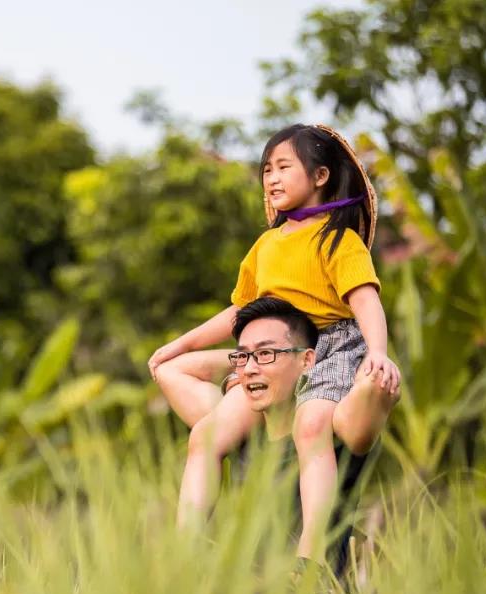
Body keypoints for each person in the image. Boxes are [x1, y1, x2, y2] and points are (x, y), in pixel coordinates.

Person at [148, 124, 400, 561]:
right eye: (267, 169)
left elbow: (365, 301)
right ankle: (185, 550)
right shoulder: (266, 245)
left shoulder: (338, 240)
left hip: (331, 345)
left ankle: (310, 552)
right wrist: (180, 346)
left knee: (312, 425)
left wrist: (377, 352)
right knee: (206, 436)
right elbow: (238, 310)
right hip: (270, 353)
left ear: (320, 176)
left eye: (284, 167)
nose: (272, 178)